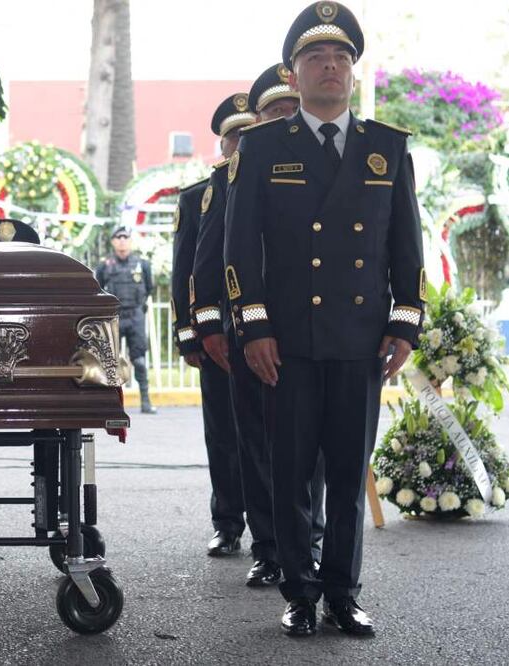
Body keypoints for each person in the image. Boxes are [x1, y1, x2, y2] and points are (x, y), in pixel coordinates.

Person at [224, 2, 424, 637]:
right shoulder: (260, 148)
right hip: (285, 343)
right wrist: (253, 327)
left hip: (360, 340)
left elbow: (406, 249)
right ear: (294, 72)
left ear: (354, 73)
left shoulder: (386, 149)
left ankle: (343, 590)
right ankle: (299, 592)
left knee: (346, 470)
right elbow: (238, 250)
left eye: (341, 57)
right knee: (290, 474)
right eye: (316, 57)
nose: (330, 66)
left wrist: (405, 322)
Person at [191, 69, 328, 587]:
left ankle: (308, 543)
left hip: (314, 331)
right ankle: (269, 549)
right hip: (250, 332)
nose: (287, 119)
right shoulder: (234, 174)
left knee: (312, 447)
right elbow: (205, 264)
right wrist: (210, 330)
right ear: (258, 123)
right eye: (275, 112)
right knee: (257, 444)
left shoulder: (328, 170)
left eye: (294, 109)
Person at [171, 94, 253, 557]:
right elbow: (184, 271)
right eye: (233, 138)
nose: (240, 144)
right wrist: (190, 336)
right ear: (221, 146)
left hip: (263, 333)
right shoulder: (197, 197)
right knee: (223, 432)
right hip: (217, 337)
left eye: (247, 135)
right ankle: (227, 521)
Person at [95, 227, 156, 414]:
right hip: (114, 316)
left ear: (130, 241)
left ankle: (145, 401)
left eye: (125, 237)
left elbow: (149, 288)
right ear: (113, 242)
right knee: (110, 361)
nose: (122, 241)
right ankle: (110, 403)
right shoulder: (105, 265)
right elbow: (98, 289)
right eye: (118, 237)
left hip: (135, 315)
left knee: (139, 360)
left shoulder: (142, 264)